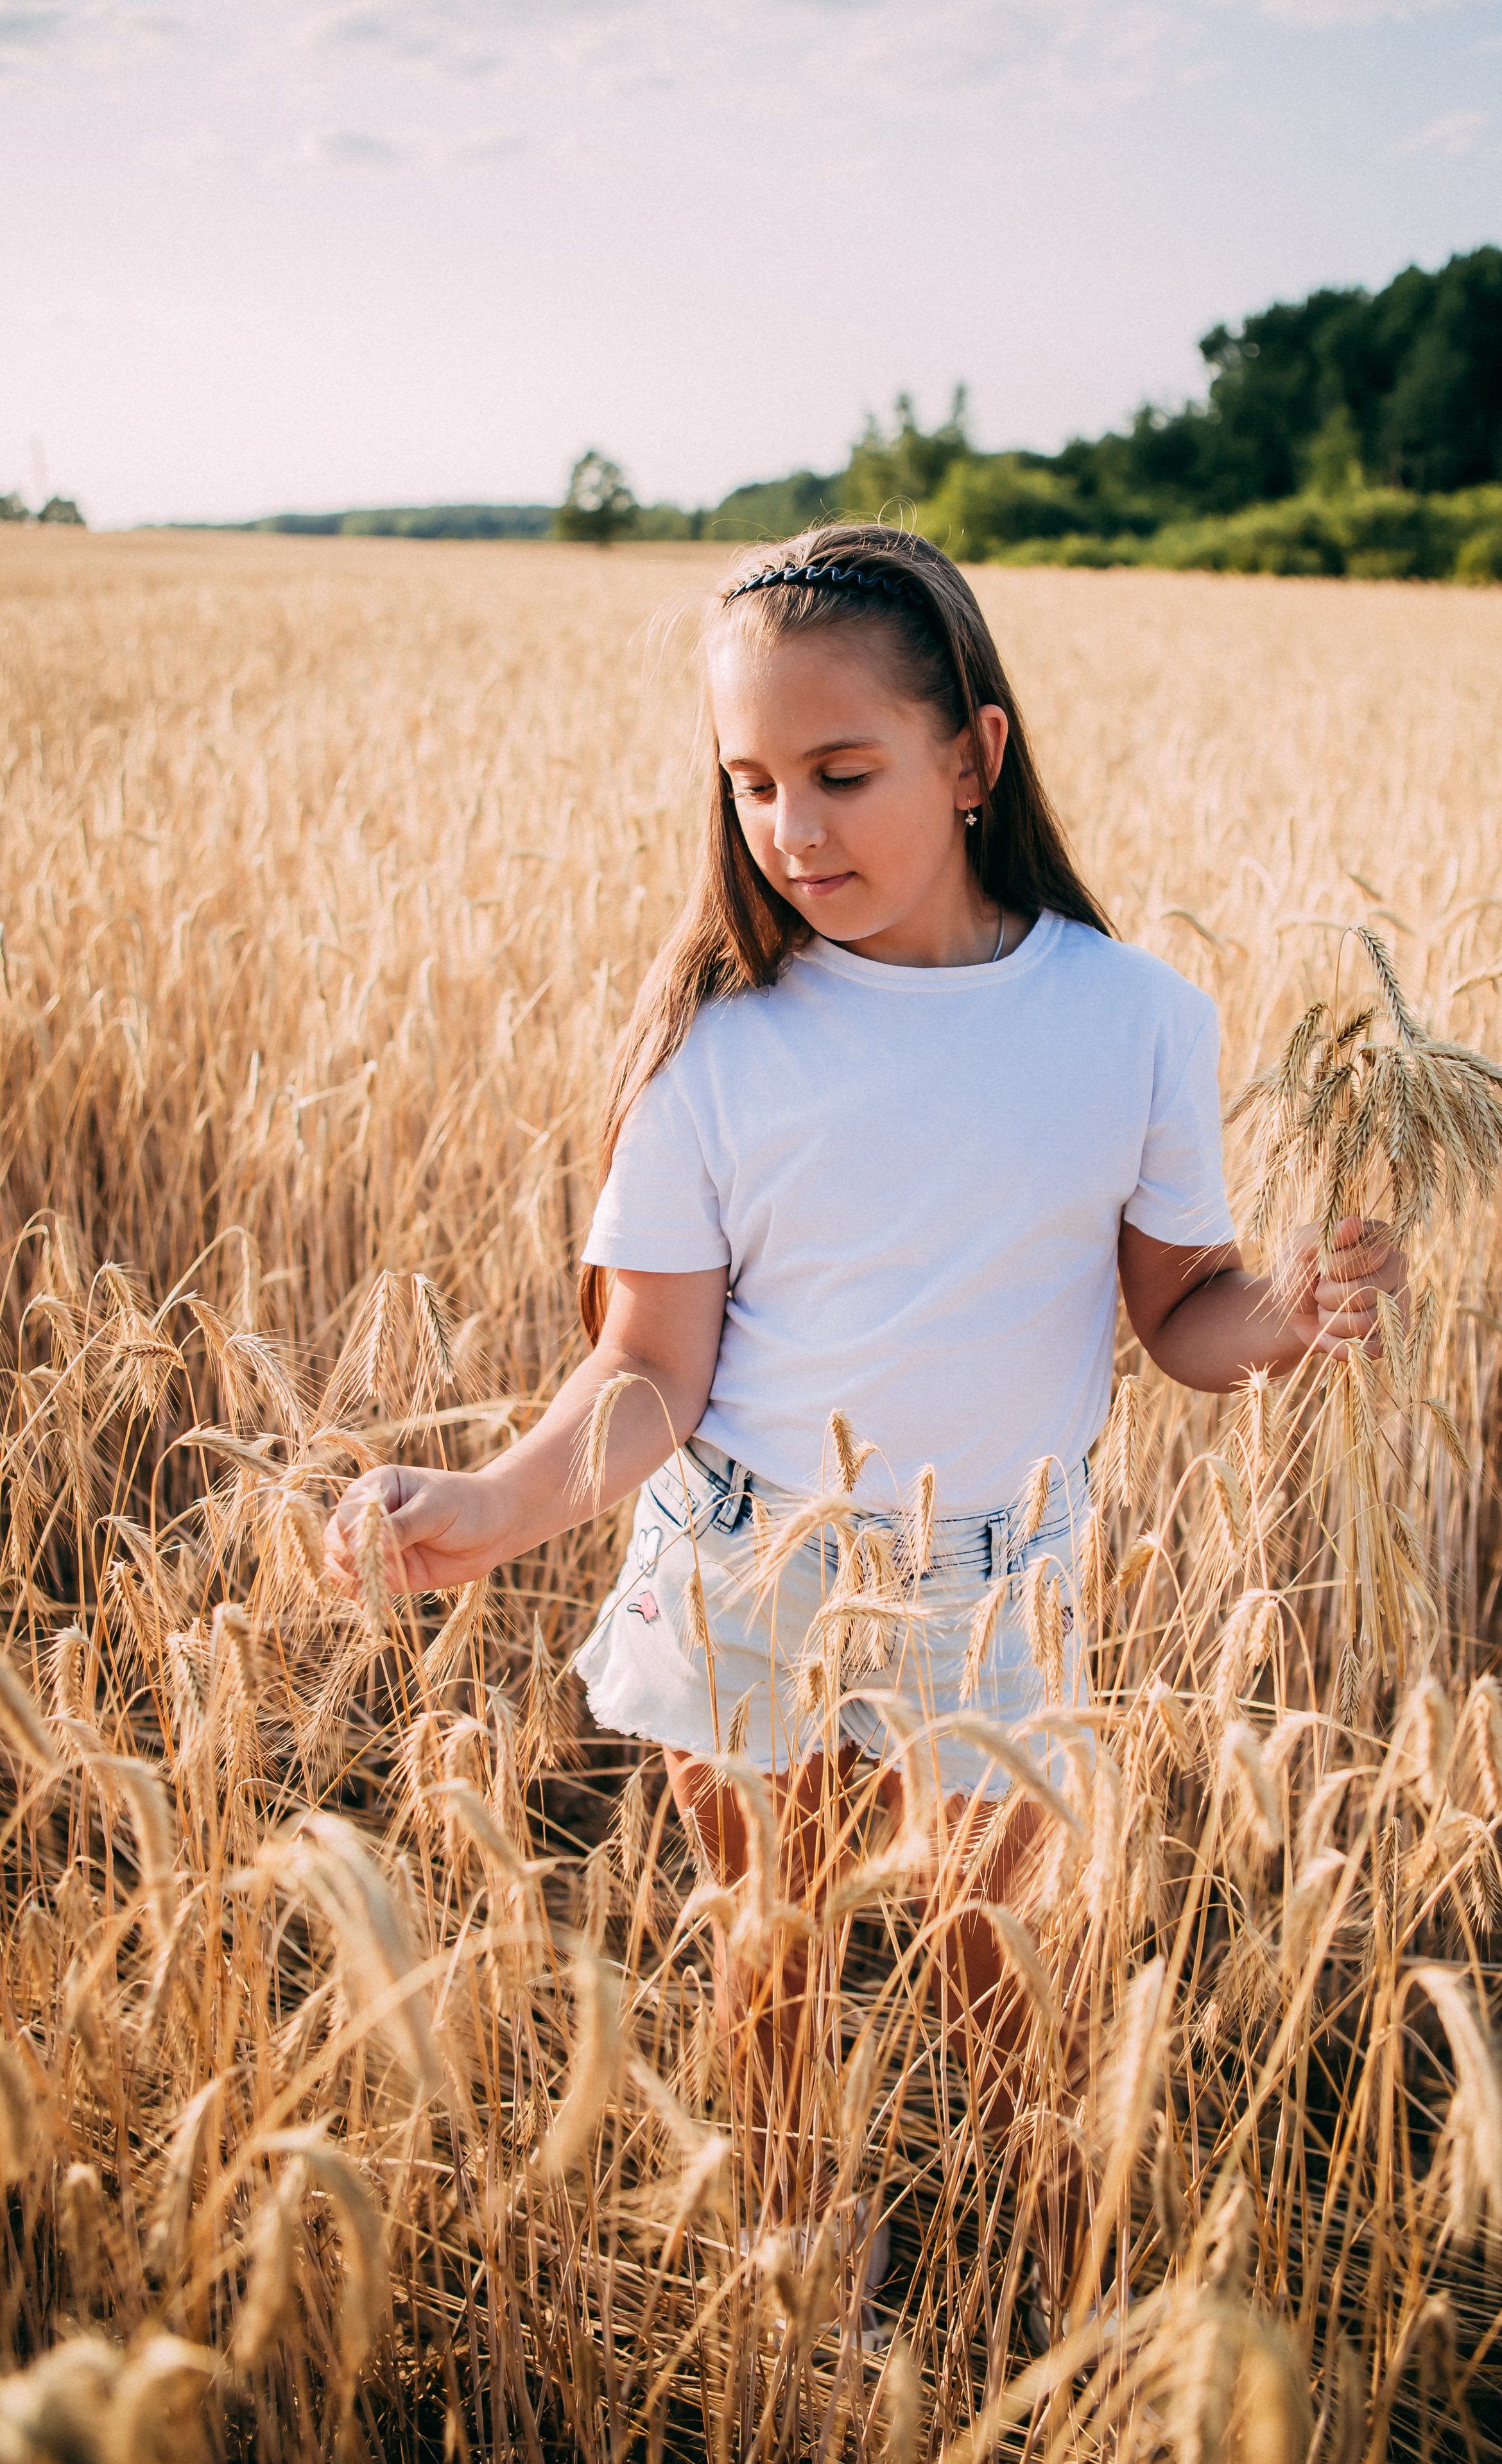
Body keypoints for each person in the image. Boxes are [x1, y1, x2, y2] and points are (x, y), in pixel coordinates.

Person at [324, 521, 1404, 2349]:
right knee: (775, 1965)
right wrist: (497, 1505)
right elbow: (650, 1375)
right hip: (750, 1562)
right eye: (751, 785)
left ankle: (1071, 2289)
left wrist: (1284, 1317)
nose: (794, 831)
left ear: (974, 758)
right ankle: (815, 2303)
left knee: (1010, 1971)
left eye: (842, 774)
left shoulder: (1134, 1020)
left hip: (996, 1581)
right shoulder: (716, 1046)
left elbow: (1179, 1315)